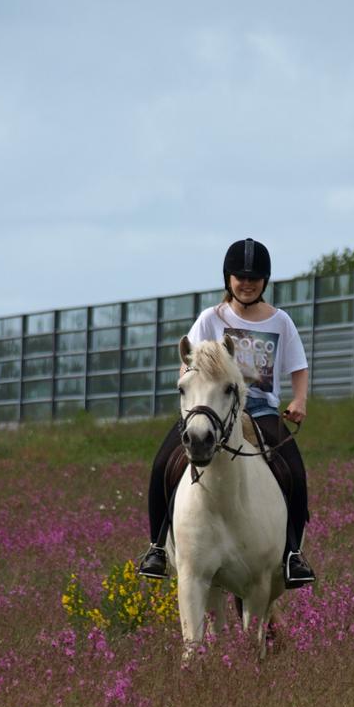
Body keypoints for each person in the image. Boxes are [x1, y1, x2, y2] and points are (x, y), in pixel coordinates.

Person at [137, 237, 316, 589]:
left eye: (254, 277)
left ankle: (293, 553)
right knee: (162, 465)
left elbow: (299, 367)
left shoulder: (281, 322)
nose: (246, 283)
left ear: (265, 281)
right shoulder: (210, 319)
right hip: (210, 409)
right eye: (239, 276)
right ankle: (157, 547)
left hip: (260, 408)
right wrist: (191, 403)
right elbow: (187, 363)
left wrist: (299, 401)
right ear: (227, 278)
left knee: (293, 470)